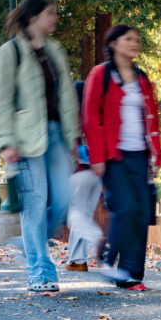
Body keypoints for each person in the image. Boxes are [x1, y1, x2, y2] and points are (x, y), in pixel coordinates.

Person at [0, 0, 79, 292]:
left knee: (64, 199)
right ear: (32, 17)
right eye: (50, 13)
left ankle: (30, 245)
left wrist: (72, 138)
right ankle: (40, 273)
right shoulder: (10, 52)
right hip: (26, 139)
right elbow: (1, 100)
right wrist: (5, 142)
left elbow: (66, 97)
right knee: (35, 205)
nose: (55, 18)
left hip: (56, 137)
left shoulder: (55, 51)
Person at [82, 24, 161, 290]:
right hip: (112, 155)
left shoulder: (142, 79)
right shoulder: (101, 74)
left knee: (141, 213)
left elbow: (153, 119)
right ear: (114, 43)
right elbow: (91, 117)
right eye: (129, 39)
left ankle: (131, 276)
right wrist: (96, 156)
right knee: (125, 208)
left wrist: (156, 156)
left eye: (137, 39)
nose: (135, 43)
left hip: (140, 155)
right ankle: (107, 258)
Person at [65, 80, 104, 273]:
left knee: (74, 215)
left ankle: (96, 238)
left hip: (77, 172)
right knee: (84, 214)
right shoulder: (94, 114)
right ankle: (77, 260)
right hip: (97, 173)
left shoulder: (71, 118)